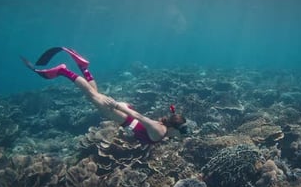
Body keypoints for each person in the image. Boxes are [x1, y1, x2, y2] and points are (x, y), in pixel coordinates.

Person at [21, 47, 187, 144]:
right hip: (120, 114)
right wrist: (115, 105)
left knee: (94, 94)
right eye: (183, 132)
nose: (182, 137)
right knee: (91, 95)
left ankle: (83, 67)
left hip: (123, 114)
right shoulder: (159, 131)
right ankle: (63, 71)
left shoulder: (163, 132)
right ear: (176, 129)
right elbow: (139, 117)